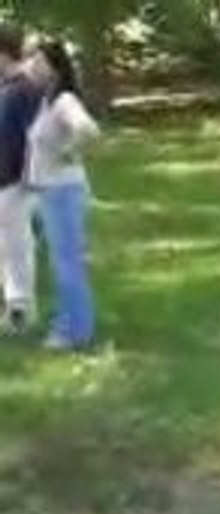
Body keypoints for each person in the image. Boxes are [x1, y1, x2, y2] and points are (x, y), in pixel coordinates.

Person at [25, 40, 100, 351]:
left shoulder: (64, 100)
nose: (33, 65)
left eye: (39, 61)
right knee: (60, 261)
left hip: (62, 191)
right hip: (47, 191)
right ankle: (67, 322)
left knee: (68, 263)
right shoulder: (47, 100)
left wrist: (66, 154)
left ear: (55, 68)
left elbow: (88, 130)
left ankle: (74, 331)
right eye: (32, 59)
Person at [0, 24, 41, 333]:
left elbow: (35, 138)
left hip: (16, 182)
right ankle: (14, 309)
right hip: (4, 179)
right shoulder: (6, 88)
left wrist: (29, 178)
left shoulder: (24, 89)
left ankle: (22, 312)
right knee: (6, 248)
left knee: (17, 248)